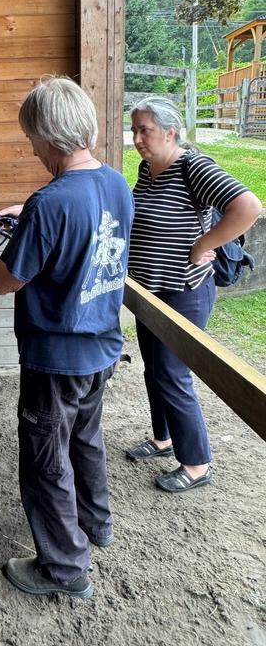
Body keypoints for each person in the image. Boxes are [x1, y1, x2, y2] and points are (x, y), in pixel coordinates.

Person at [0, 77, 133, 599]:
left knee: (44, 459)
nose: (31, 148)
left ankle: (63, 568)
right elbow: (71, 222)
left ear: (48, 137)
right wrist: (27, 212)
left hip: (55, 357)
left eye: (31, 139)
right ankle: (96, 524)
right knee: (85, 439)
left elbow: (3, 280)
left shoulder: (49, 202)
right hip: (101, 348)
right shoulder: (116, 183)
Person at [126, 97, 262, 492]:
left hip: (185, 290)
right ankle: (163, 439)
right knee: (154, 368)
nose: (136, 138)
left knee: (172, 373)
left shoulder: (193, 166)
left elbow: (248, 206)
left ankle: (198, 463)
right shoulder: (148, 168)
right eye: (134, 130)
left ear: (170, 132)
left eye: (144, 130)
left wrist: (205, 243)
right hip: (151, 289)